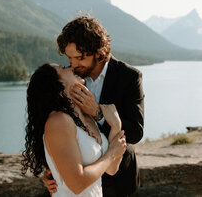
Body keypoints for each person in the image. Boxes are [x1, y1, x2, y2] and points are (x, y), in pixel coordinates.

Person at [44, 16, 145, 197]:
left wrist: (98, 114)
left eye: (79, 57)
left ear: (98, 52)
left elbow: (136, 132)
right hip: (79, 177)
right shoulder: (69, 79)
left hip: (118, 180)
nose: (73, 64)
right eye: (70, 57)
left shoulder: (129, 77)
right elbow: (51, 126)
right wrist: (50, 168)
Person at [22, 63, 127, 196]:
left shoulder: (88, 119)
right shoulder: (58, 121)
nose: (71, 67)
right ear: (57, 86)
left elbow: (112, 169)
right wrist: (112, 153)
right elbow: (77, 185)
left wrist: (116, 126)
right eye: (63, 68)